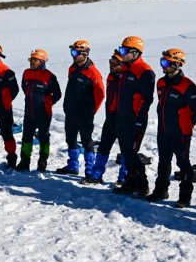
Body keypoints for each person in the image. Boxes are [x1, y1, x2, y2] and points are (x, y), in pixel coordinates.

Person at [147, 48, 196, 206]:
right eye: (162, 62)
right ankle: (161, 191)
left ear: (178, 64)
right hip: (164, 130)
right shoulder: (161, 82)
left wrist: (184, 124)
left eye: (166, 63)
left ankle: (185, 197)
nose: (163, 66)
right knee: (163, 162)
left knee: (183, 163)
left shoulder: (188, 86)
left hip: (180, 133)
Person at [113, 36, 156, 197]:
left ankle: (142, 185)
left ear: (135, 52)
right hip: (123, 118)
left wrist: (138, 118)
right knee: (125, 152)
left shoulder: (145, 71)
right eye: (121, 49)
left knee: (131, 152)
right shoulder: (126, 69)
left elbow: (147, 99)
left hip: (135, 120)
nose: (122, 53)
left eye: (124, 51)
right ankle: (130, 182)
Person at [58, 40, 105, 176]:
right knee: (70, 139)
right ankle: (73, 166)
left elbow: (100, 95)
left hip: (85, 114)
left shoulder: (93, 73)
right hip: (71, 112)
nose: (74, 55)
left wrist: (91, 111)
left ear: (85, 53)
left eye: (76, 53)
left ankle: (90, 169)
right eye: (72, 52)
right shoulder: (72, 69)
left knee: (86, 141)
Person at [82, 50, 124, 184]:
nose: (111, 66)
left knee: (125, 151)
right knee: (103, 148)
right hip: (110, 119)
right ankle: (96, 176)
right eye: (110, 63)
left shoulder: (127, 79)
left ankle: (123, 179)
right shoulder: (111, 77)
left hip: (123, 120)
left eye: (115, 63)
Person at [16, 49, 62, 171]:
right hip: (29, 112)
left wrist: (48, 102)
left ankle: (42, 163)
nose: (31, 62)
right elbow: (24, 87)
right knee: (26, 138)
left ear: (42, 61)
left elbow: (57, 94)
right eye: (31, 59)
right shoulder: (26, 73)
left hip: (44, 114)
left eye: (34, 60)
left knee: (43, 138)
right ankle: (24, 162)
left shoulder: (50, 76)